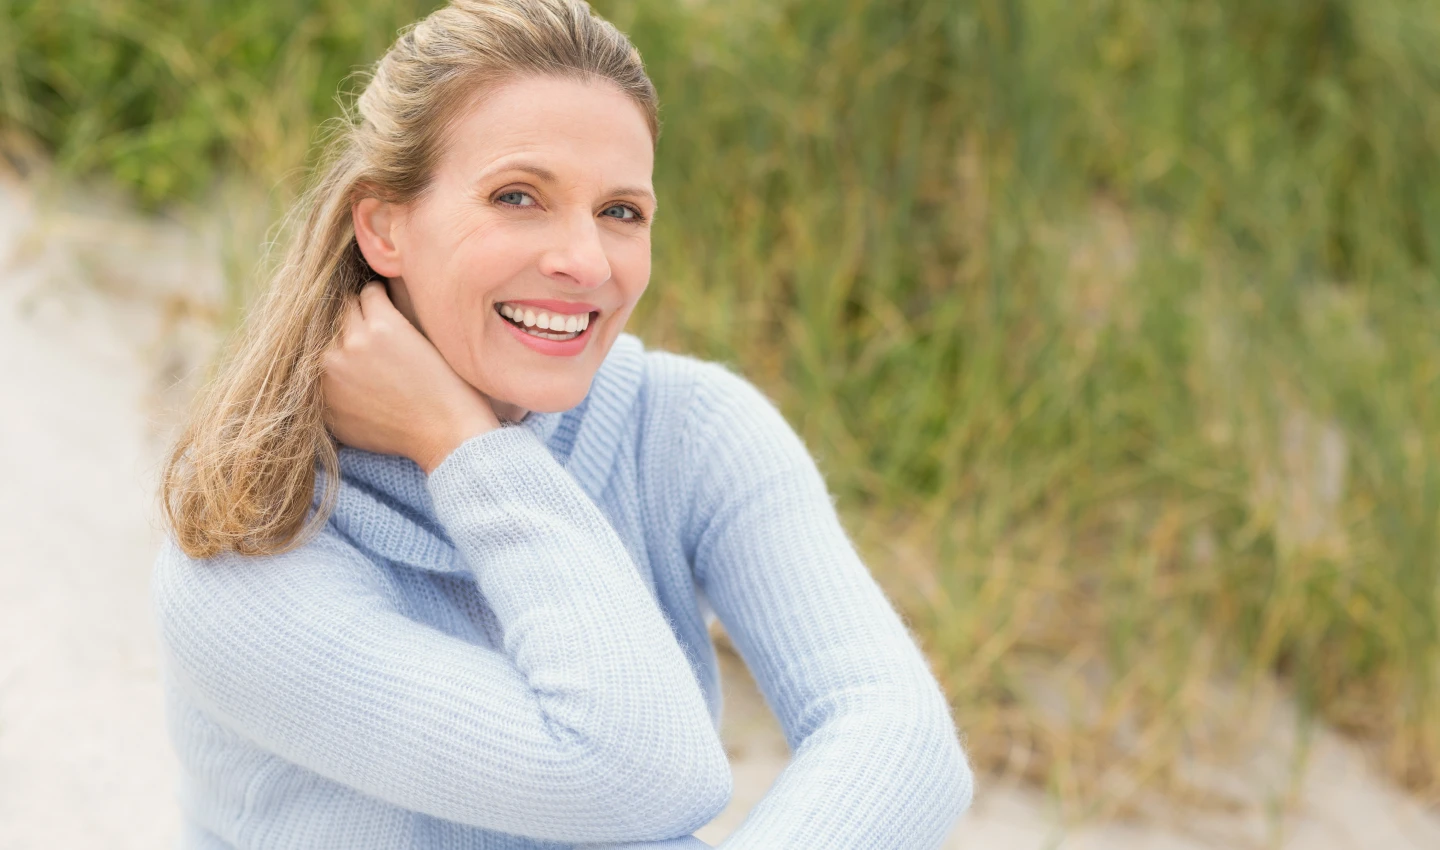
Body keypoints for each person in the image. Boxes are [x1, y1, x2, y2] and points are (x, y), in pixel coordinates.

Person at [150, 1, 974, 847]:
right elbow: (640, 774)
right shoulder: (247, 557)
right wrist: (461, 445)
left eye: (621, 212)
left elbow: (903, 741)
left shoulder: (685, 429)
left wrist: (465, 441)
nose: (584, 262)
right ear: (384, 225)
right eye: (518, 196)